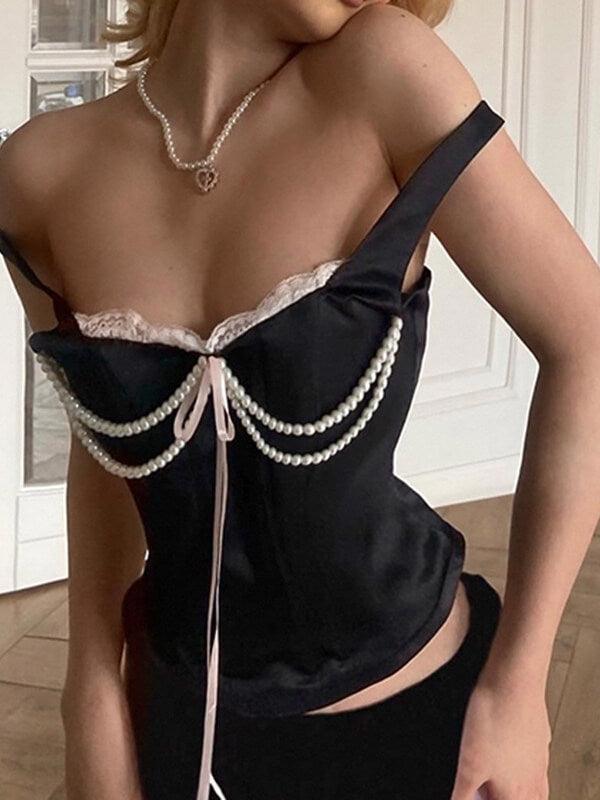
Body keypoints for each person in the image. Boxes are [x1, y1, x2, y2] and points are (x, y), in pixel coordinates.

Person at [1, 1, 600, 798]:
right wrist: (91, 688)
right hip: (181, 718)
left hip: (428, 724)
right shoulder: (37, 174)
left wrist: (519, 687)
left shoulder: (383, 71)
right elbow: (110, 443)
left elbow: (588, 344)